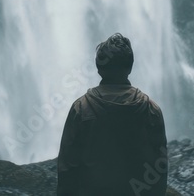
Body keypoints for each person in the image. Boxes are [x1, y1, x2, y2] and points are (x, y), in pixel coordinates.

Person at [57, 33, 168, 195]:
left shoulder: (81, 109)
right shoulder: (152, 110)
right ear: (130, 67)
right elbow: (160, 166)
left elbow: (67, 168)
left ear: (98, 68)